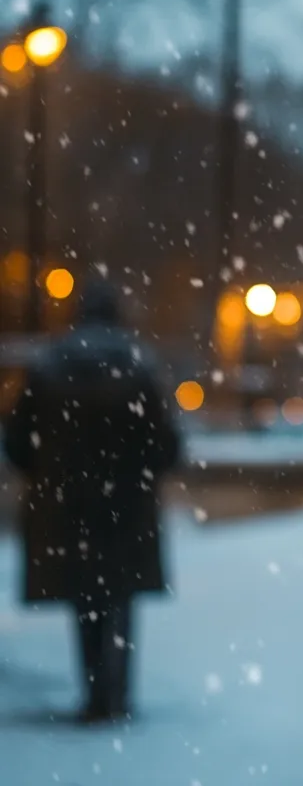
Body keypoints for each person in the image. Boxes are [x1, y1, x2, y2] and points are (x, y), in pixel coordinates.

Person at [3, 278, 181, 722]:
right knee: (119, 598)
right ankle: (116, 695)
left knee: (84, 600)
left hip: (66, 507)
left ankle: (93, 690)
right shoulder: (138, 365)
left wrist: (52, 476)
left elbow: (18, 443)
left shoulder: (48, 365)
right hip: (126, 506)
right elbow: (166, 446)